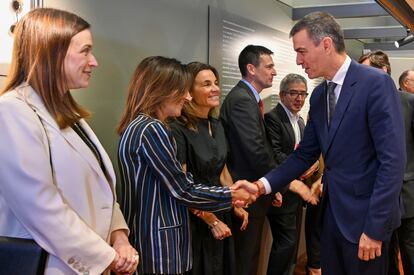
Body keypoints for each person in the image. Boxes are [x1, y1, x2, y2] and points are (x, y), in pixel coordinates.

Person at [249, 11, 405, 275]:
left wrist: (374, 229)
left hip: (365, 222)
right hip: (331, 220)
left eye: (301, 51)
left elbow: (392, 161)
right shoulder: (321, 95)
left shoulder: (375, 84)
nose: (298, 61)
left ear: (326, 44)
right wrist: (260, 186)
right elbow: (304, 155)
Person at [0, 8, 138, 275]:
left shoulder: (70, 116)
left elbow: (102, 190)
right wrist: (107, 257)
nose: (94, 61)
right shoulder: (12, 111)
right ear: (51, 53)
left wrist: (119, 236)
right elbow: (41, 208)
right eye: (85, 51)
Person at [117, 56, 255, 275]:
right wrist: (231, 195)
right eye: (183, 90)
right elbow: (182, 189)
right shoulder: (152, 129)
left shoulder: (139, 126)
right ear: (162, 90)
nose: (187, 96)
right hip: (159, 244)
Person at [220, 45, 314, 275]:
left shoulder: (249, 99)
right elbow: (256, 152)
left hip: (255, 192)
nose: (274, 71)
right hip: (246, 195)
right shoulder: (242, 100)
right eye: (269, 66)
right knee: (245, 259)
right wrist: (287, 182)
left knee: (250, 257)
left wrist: (272, 187)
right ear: (251, 69)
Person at [171, 62, 249, 275]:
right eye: (206, 84)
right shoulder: (178, 128)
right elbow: (181, 186)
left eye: (216, 83)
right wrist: (210, 219)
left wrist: (236, 202)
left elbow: (222, 170)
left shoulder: (217, 125)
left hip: (220, 212)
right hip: (195, 218)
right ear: (189, 91)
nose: (215, 88)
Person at [264, 73, 321, 275]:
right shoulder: (273, 118)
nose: (299, 99)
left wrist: (313, 164)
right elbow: (275, 154)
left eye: (303, 94)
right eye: (294, 93)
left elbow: (307, 152)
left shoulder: (300, 121)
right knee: (286, 243)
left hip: (298, 194)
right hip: (282, 192)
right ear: (281, 95)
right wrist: (300, 169)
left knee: (291, 245)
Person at [387, 70, 414, 275]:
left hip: (407, 192)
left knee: (409, 247)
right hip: (378, 194)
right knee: (385, 252)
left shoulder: (409, 102)